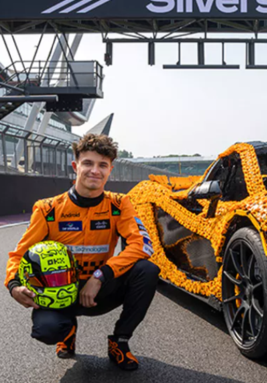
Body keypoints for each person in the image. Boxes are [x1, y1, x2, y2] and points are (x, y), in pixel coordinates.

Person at [4, 133, 159, 371]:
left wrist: (102, 275)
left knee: (147, 270)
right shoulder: (48, 208)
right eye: (88, 163)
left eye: (102, 165)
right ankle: (66, 330)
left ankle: (120, 342)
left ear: (110, 170)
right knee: (47, 331)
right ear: (75, 166)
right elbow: (18, 254)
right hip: (58, 292)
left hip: (99, 290)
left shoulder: (119, 204)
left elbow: (142, 246)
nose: (94, 170)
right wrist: (14, 286)